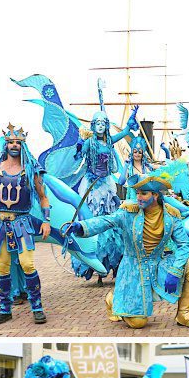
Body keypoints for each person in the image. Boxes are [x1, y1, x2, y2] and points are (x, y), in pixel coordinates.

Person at [64, 167, 189, 329]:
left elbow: (184, 244)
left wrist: (176, 270)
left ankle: (184, 314)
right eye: (137, 193)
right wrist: (80, 227)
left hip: (158, 265)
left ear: (155, 195)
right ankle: (113, 298)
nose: (138, 197)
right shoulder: (128, 212)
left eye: (143, 193)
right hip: (133, 271)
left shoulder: (171, 216)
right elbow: (106, 221)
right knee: (138, 323)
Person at [0, 124, 51, 325]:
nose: (14, 145)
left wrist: (47, 221)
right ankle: (5, 309)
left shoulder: (31, 169)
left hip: (22, 223)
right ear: (5, 145)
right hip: (0, 225)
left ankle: (37, 307)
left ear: (23, 145)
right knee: (2, 267)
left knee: (28, 264)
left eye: (18, 142)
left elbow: (43, 197)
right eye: (11, 142)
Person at [72, 105, 140, 281]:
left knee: (112, 220)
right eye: (98, 123)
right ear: (93, 126)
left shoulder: (109, 141)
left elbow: (124, 132)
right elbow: (78, 158)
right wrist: (79, 146)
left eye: (103, 123)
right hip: (92, 186)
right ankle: (93, 261)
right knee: (93, 217)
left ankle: (114, 261)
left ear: (106, 126)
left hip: (107, 185)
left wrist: (130, 121)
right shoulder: (89, 142)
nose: (101, 126)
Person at [117, 134, 155, 201]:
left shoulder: (147, 167)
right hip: (132, 200)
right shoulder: (129, 167)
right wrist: (125, 166)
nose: (137, 154)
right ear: (132, 153)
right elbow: (121, 182)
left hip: (145, 199)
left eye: (140, 152)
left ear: (142, 154)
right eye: (135, 152)